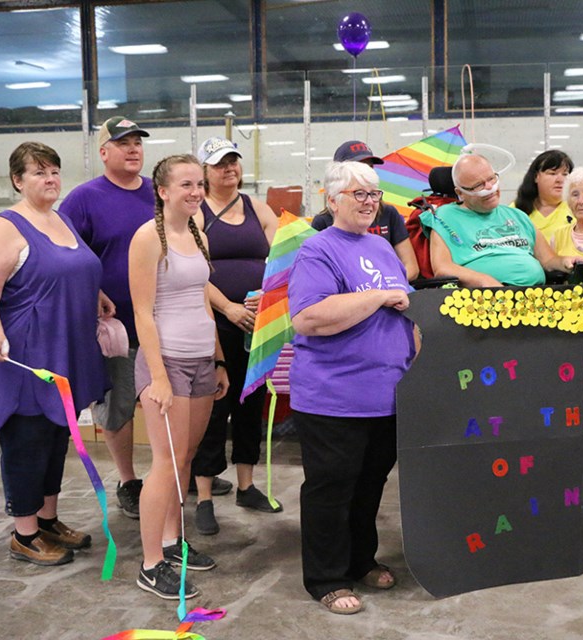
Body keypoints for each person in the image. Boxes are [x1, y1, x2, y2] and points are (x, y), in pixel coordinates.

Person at [0, 141, 106, 566]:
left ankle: (47, 521)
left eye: (54, 171)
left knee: (54, 437)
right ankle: (24, 535)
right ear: (17, 180)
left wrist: (96, 295)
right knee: (27, 442)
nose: (50, 179)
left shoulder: (59, 219)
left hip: (63, 350)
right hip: (21, 355)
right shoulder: (5, 226)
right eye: (39, 172)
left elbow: (68, 269)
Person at [289, 161, 415, 615]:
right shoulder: (317, 251)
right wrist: (379, 296)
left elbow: (407, 313)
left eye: (374, 194)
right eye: (359, 193)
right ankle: (325, 577)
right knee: (331, 489)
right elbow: (308, 317)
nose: (369, 202)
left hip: (386, 395)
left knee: (369, 487)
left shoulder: (382, 249)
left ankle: (361, 559)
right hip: (333, 397)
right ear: (333, 199)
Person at [129, 154, 230, 599]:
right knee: (166, 463)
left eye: (198, 184)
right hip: (166, 362)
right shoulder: (147, 238)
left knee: (185, 458)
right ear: (163, 191)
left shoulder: (197, 233)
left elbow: (201, 300)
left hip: (201, 361)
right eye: (185, 184)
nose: (195, 192)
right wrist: (158, 377)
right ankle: (150, 564)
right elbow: (142, 312)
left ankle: (172, 542)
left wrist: (219, 358)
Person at [59, 115, 157, 519]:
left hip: (162, 320)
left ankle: (170, 475)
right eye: (123, 143)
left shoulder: (157, 192)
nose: (133, 149)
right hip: (116, 326)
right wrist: (94, 290)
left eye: (137, 142)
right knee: (118, 406)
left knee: (165, 401)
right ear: (104, 152)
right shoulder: (84, 199)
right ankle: (128, 480)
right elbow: (64, 250)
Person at [189, 136, 282, 536]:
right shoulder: (196, 213)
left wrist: (271, 300)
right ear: (205, 172)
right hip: (217, 324)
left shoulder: (256, 209)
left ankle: (246, 485)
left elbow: (283, 256)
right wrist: (227, 307)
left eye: (233, 162)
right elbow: (192, 271)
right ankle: (205, 495)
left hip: (258, 325)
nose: (229, 169)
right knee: (214, 409)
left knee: (251, 404)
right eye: (220, 164)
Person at [421, 153, 575, 287]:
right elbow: (443, 268)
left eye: (492, 179)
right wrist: (483, 280)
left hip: (534, 298)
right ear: (460, 193)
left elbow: (548, 260)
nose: (490, 188)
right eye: (478, 185)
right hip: (481, 300)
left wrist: (565, 262)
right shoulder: (444, 217)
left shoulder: (518, 216)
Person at [311, 140, 419, 280]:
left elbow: (411, 267)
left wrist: (389, 287)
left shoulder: (389, 213)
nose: (367, 171)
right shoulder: (322, 224)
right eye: (360, 167)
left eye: (370, 167)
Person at [513, 149, 575, 242]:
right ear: (536, 177)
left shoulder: (577, 209)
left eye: (565, 174)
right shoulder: (516, 211)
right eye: (552, 173)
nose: (560, 180)